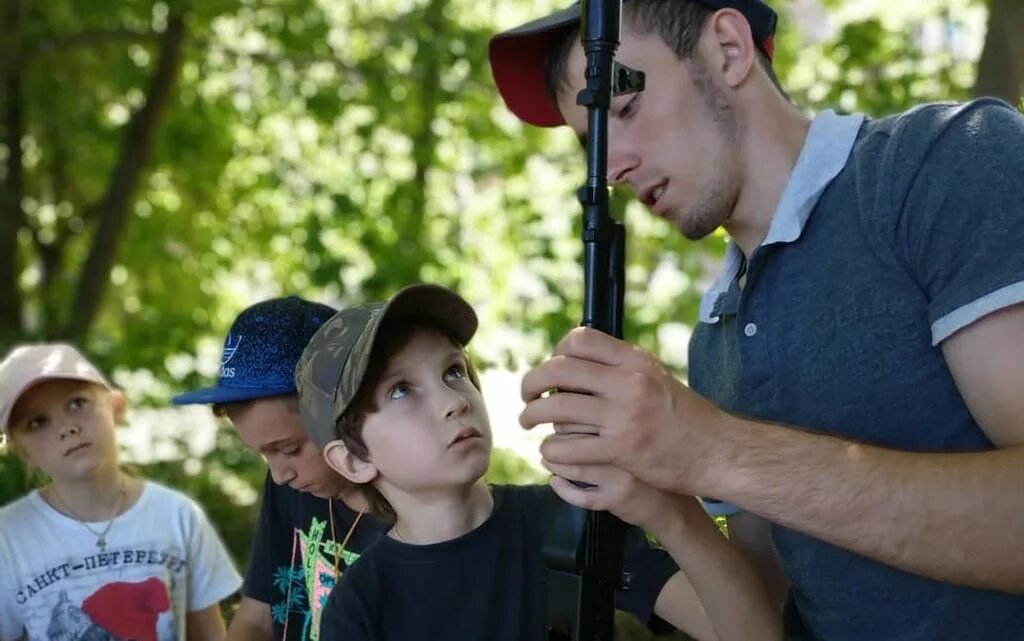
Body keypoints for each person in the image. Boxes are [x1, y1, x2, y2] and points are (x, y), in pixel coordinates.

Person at [489, 0, 1024, 639]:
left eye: (626, 109)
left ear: (729, 50)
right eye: (591, 142)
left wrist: (710, 447)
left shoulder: (941, 162)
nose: (611, 165)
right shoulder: (714, 338)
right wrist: (666, 504)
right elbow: (763, 621)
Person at [294, 283, 780, 641]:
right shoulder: (360, 603)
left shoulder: (566, 519)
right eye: (401, 390)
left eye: (453, 371)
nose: (453, 400)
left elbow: (752, 635)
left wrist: (668, 512)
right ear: (353, 460)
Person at [172, 296, 386, 641]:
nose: (278, 474)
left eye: (288, 449)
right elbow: (257, 620)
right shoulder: (290, 486)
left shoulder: (415, 514)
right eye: (264, 455)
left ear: (347, 411)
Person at [0, 343, 241, 641]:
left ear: (116, 406)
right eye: (37, 422)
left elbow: (209, 634)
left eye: (77, 403)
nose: (66, 427)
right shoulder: (8, 538)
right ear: (21, 451)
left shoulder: (177, 515)